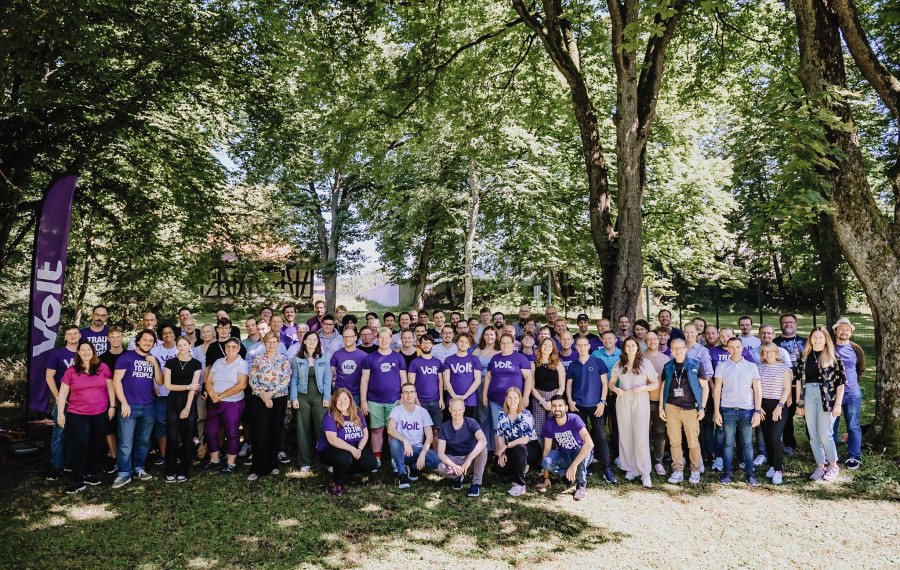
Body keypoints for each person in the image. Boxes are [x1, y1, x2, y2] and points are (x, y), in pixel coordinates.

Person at [55, 340, 115, 493]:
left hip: (99, 413)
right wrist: (61, 413)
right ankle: (78, 480)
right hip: (78, 414)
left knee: (95, 444)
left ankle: (89, 473)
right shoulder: (71, 371)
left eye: (89, 350)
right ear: (78, 353)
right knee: (80, 445)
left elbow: (110, 386)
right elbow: (62, 393)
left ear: (93, 352)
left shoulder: (103, 368)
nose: (86, 353)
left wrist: (112, 406)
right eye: (83, 350)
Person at [112, 329, 163, 488]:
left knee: (144, 440)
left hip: (148, 406)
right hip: (130, 406)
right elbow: (116, 381)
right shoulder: (126, 357)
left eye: (151, 341)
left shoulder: (153, 359)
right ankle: (123, 473)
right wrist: (123, 402)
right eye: (145, 340)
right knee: (126, 442)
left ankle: (138, 468)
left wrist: (155, 363)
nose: (147, 343)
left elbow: (160, 382)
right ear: (138, 341)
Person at [796, 326, 845, 482]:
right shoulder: (803, 357)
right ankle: (820, 466)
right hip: (808, 395)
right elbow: (798, 381)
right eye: (814, 337)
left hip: (826, 398)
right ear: (810, 338)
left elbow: (841, 383)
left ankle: (833, 466)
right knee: (813, 435)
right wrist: (799, 402)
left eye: (820, 337)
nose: (817, 340)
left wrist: (838, 404)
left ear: (826, 339)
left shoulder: (833, 357)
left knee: (825, 433)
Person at [608, 337, 658, 487]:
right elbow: (611, 382)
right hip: (623, 399)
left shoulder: (645, 364)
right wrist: (615, 389)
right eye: (627, 346)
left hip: (640, 399)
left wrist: (643, 388)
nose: (630, 348)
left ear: (637, 347)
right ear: (624, 348)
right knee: (626, 434)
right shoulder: (619, 364)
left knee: (641, 436)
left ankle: (645, 472)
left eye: (633, 345)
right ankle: (631, 467)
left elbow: (655, 383)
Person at [713, 337, 762, 486]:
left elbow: (758, 390)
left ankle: (750, 473)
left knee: (747, 443)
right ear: (727, 348)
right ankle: (727, 472)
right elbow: (717, 390)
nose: (735, 350)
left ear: (742, 348)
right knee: (728, 443)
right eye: (731, 347)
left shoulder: (751, 366)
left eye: (738, 347)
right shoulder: (721, 366)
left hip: (747, 409)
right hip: (727, 409)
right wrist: (717, 411)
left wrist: (757, 411)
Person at [566, 337, 615, 483]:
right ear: (576, 347)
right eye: (579, 345)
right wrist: (569, 400)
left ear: (589, 346)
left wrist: (602, 401)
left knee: (600, 435)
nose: (582, 348)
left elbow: (605, 383)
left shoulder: (597, 362)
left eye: (584, 345)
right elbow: (569, 385)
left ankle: (607, 467)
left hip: (595, 405)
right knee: (581, 437)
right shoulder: (573, 365)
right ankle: (586, 464)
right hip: (578, 405)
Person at [659, 339, 708, 485]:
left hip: (691, 409)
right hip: (672, 407)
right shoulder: (668, 366)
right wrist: (661, 408)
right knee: (675, 442)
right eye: (675, 349)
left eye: (681, 348)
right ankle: (678, 470)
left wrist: (702, 407)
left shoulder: (696, 364)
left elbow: (705, 387)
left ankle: (695, 469)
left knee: (693, 442)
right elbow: (662, 388)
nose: (678, 351)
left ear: (686, 349)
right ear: (671, 351)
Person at [200, 338, 248, 476]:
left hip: (233, 403)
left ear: (238, 348)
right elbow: (208, 380)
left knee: (232, 434)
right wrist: (213, 395)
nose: (230, 349)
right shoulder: (218, 362)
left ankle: (231, 464)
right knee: (210, 431)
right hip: (215, 402)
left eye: (234, 347)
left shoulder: (242, 364)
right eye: (228, 346)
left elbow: (241, 385)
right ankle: (215, 461)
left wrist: (221, 396)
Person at [360, 327, 407, 467]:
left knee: (393, 431)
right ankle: (377, 458)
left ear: (391, 338)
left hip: (395, 400)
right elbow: (364, 380)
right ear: (377, 338)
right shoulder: (370, 357)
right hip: (375, 400)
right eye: (381, 337)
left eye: (387, 337)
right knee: (377, 429)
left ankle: (394, 458)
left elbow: (404, 379)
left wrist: (403, 398)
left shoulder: (398, 357)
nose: (384, 340)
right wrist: (364, 401)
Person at [248, 331, 291, 480]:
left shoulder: (283, 359)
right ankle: (257, 468)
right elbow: (252, 380)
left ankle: (272, 464)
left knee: (274, 430)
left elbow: (286, 379)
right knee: (260, 432)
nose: (271, 345)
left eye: (274, 342)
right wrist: (264, 396)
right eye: (269, 342)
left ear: (278, 343)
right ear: (264, 343)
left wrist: (271, 393)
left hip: (278, 398)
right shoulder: (258, 359)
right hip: (260, 399)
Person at [317, 388, 377, 496]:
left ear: (350, 399)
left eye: (345, 399)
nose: (342, 402)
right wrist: (352, 449)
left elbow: (365, 434)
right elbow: (332, 439)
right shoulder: (330, 416)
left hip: (353, 447)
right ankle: (337, 483)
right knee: (345, 458)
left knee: (371, 463)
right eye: (339, 400)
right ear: (334, 401)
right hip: (329, 449)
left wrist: (359, 449)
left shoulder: (358, 413)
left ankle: (346, 473)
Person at [290, 330, 332, 472]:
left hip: (319, 396)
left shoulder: (323, 357)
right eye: (309, 339)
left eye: (315, 340)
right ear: (305, 342)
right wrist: (294, 397)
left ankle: (326, 460)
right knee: (303, 428)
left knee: (322, 427)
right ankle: (305, 461)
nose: (312, 342)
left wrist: (327, 397)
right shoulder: (298, 359)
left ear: (318, 342)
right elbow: (294, 379)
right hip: (302, 396)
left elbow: (327, 379)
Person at [163, 336, 202, 482]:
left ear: (189, 345)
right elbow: (168, 386)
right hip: (173, 400)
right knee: (172, 436)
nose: (181, 347)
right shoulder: (170, 363)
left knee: (187, 437)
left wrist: (187, 408)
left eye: (184, 345)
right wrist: (187, 387)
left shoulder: (196, 364)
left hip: (188, 401)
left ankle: (183, 470)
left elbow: (194, 387)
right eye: (179, 345)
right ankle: (170, 470)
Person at [541, 395, 594, 500]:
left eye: (560, 405)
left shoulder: (574, 419)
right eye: (554, 406)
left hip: (581, 455)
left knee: (580, 448)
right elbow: (546, 449)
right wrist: (546, 477)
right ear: (551, 408)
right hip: (565, 455)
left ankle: (581, 485)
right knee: (545, 462)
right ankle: (570, 473)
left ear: (566, 408)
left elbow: (589, 444)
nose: (557, 409)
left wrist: (574, 464)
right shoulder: (549, 424)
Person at [388, 383, 441, 488]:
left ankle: (414, 468)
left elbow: (429, 436)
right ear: (402, 395)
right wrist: (405, 440)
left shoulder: (422, 412)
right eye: (406, 392)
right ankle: (402, 475)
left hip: (417, 449)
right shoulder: (396, 410)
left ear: (416, 394)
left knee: (436, 459)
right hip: (403, 450)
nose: (409, 394)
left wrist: (423, 454)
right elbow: (390, 429)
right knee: (394, 442)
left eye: (411, 392)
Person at [484, 334, 533, 445]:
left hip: (514, 401)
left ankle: (516, 454)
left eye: (508, 343)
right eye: (503, 343)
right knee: (498, 428)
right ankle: (499, 455)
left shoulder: (520, 358)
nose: (505, 345)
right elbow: (488, 376)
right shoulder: (495, 358)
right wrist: (484, 394)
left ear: (513, 344)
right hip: (495, 400)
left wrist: (525, 397)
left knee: (516, 427)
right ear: (500, 344)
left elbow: (529, 377)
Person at [44, 325, 79, 480]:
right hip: (63, 401)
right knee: (59, 433)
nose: (72, 336)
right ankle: (57, 465)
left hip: (80, 401)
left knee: (74, 433)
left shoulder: (84, 353)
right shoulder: (58, 354)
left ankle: (70, 462)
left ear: (79, 335)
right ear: (65, 337)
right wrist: (58, 397)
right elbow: (49, 376)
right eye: (69, 334)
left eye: (75, 333)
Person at [492, 387, 542, 496]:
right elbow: (500, 435)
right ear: (506, 399)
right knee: (499, 467)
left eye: (515, 398)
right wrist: (502, 453)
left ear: (520, 399)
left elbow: (525, 439)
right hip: (511, 448)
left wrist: (506, 446)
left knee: (519, 449)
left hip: (530, 447)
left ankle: (520, 484)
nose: (512, 400)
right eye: (509, 397)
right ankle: (522, 466)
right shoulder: (502, 415)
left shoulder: (526, 414)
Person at [437, 398, 488, 497]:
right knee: (441, 467)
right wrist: (453, 465)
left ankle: (476, 483)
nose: (457, 413)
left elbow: (483, 440)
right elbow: (440, 452)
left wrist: (469, 460)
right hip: (455, 458)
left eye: (460, 409)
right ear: (450, 410)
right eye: (454, 410)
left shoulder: (471, 422)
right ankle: (457, 478)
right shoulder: (444, 427)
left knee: (483, 449)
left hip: (470, 458)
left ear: (464, 409)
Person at [831, 318, 865, 469]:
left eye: (847, 329)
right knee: (831, 426)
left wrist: (851, 382)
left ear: (850, 332)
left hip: (852, 393)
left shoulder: (856, 348)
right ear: (835, 331)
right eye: (841, 329)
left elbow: (861, 367)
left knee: (853, 425)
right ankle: (831, 456)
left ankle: (854, 456)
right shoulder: (829, 347)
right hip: (831, 394)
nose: (844, 332)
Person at [757, 342, 792, 485]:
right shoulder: (758, 368)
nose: (768, 354)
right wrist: (758, 407)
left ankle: (778, 469)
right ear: (762, 354)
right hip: (763, 405)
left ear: (776, 353)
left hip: (779, 405)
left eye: (771, 351)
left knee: (775, 437)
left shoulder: (784, 368)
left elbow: (787, 389)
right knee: (766, 436)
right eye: (765, 352)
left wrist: (780, 406)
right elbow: (755, 389)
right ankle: (771, 464)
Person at [774, 313, 806, 455]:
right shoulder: (775, 343)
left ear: (796, 324)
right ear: (781, 325)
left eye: (791, 322)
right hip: (784, 386)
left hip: (804, 384)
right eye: (785, 322)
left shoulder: (805, 342)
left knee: (809, 415)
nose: (788, 324)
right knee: (786, 417)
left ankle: (815, 441)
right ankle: (789, 444)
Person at [591, 330, 621, 466]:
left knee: (616, 426)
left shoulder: (622, 354)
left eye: (610, 338)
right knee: (599, 426)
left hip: (617, 395)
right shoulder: (596, 354)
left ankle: (617, 455)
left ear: (615, 339)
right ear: (601, 340)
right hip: (600, 396)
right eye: (605, 339)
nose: (608, 341)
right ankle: (596, 453)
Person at [642, 331, 671, 475]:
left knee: (660, 432)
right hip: (644, 401)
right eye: (649, 339)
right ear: (645, 342)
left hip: (660, 401)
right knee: (644, 432)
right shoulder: (640, 357)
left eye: (655, 339)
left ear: (659, 340)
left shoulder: (666, 359)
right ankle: (645, 459)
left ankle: (658, 460)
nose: (652, 341)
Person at [150, 325, 178, 466]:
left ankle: (175, 452)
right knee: (161, 422)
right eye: (164, 333)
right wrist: (154, 386)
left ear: (175, 334)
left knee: (177, 423)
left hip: (178, 393)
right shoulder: (155, 350)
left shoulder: (180, 347)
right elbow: (150, 370)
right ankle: (163, 453)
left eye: (170, 333)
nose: (168, 335)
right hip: (161, 393)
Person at [99, 325, 125, 472]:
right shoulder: (102, 358)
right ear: (108, 339)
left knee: (125, 429)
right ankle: (114, 458)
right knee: (110, 429)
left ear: (122, 337)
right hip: (108, 398)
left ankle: (125, 457)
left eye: (118, 336)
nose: (115, 339)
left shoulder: (128, 355)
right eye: (112, 337)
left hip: (126, 398)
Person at [408, 335, 443, 440]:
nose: (426, 345)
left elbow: (441, 381)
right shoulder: (415, 362)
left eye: (428, 343)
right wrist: (415, 400)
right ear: (420, 345)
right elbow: (411, 383)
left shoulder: (437, 362)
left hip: (436, 401)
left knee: (436, 430)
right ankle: (421, 454)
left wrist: (441, 399)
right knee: (420, 430)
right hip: (420, 402)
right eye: (423, 343)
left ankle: (436, 455)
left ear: (432, 345)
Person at [530, 338, 566, 439]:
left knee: (554, 426)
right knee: (539, 428)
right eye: (545, 345)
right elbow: (531, 387)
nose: (547, 347)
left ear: (553, 349)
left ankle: (553, 452)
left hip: (555, 397)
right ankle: (541, 453)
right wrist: (542, 401)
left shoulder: (558, 364)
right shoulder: (534, 364)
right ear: (540, 347)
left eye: (550, 346)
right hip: (538, 398)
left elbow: (562, 386)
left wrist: (553, 401)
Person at [442, 333, 482, 418]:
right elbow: (446, 380)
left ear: (469, 345)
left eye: (466, 342)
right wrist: (454, 396)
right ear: (456, 342)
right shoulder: (449, 360)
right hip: (452, 399)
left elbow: (477, 380)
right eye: (461, 341)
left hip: (470, 400)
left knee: (469, 426)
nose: (463, 344)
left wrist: (465, 396)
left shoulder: (474, 359)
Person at [192, 323, 215, 459]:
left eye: (208, 331)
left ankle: (215, 446)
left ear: (213, 333)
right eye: (204, 332)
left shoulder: (218, 346)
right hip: (200, 388)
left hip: (215, 389)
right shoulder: (196, 350)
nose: (206, 334)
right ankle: (201, 445)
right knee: (201, 418)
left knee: (215, 419)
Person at [330, 327, 366, 405]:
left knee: (354, 416)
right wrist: (329, 393)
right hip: (339, 393)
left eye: (350, 337)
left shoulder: (363, 355)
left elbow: (366, 377)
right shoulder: (337, 354)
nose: (347, 339)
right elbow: (330, 374)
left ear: (356, 337)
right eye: (345, 337)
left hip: (356, 394)